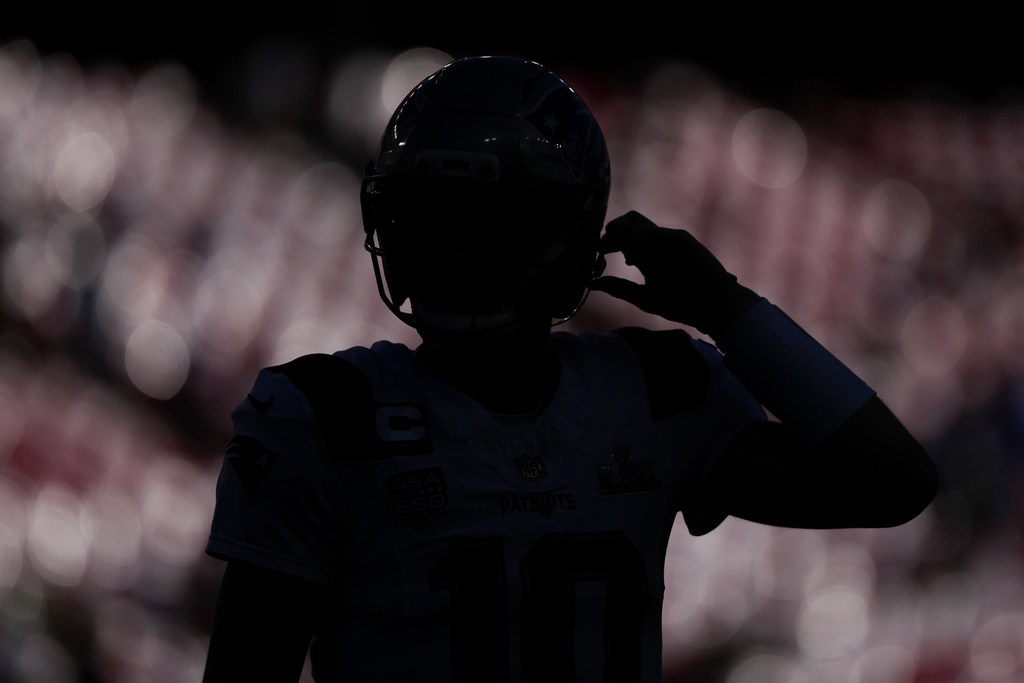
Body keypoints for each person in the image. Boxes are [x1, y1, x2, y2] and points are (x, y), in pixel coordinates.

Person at [202, 56, 938, 682]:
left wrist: (727, 307)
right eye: (428, 221)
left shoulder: (657, 389)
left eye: (490, 227)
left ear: (574, 238)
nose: (455, 258)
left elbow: (894, 481)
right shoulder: (325, 416)